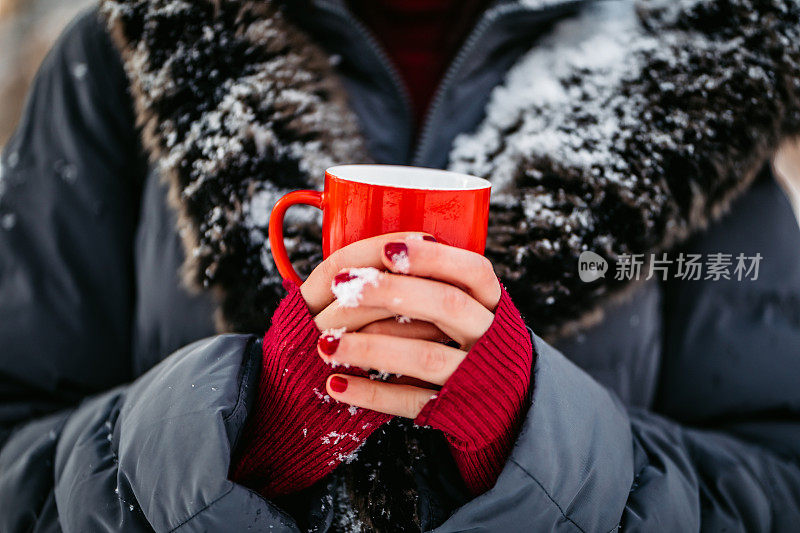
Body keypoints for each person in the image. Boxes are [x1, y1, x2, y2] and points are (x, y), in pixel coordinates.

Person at [1, 0, 799, 531]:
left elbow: (774, 486)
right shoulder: (132, 53)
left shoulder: (698, 74)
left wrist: (529, 433)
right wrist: (236, 434)